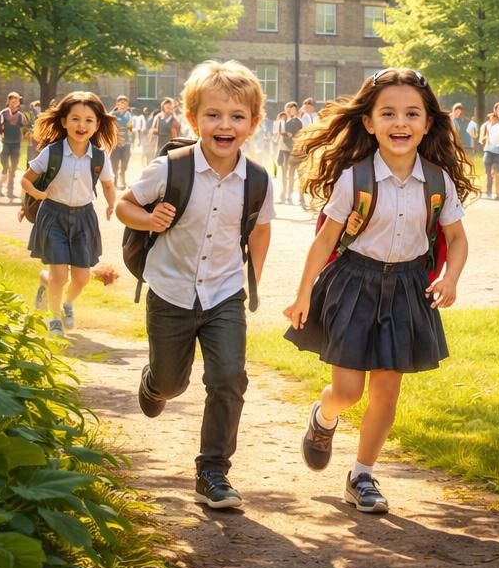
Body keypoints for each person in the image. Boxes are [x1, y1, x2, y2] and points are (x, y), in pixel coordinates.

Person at [284, 69, 473, 513]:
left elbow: (459, 239)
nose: (400, 122)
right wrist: (302, 293)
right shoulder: (356, 178)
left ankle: (362, 475)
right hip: (355, 283)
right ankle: (324, 416)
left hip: (408, 287)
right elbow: (326, 239)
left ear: (428, 123)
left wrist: (450, 278)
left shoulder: (438, 181)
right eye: (388, 113)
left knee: (387, 391)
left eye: (412, 113)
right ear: (369, 122)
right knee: (348, 391)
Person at [116, 61, 274, 511]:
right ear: (193, 119)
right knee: (172, 382)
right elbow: (125, 206)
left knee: (228, 378)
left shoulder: (258, 179)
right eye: (213, 115)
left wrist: (254, 276)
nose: (225, 125)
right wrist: (148, 218)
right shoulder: (170, 168)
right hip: (170, 290)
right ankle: (154, 384)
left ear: (252, 123)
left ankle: (213, 472)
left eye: (237, 116)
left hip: (224, 292)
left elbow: (260, 229)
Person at [22, 92, 118, 335]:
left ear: (97, 125)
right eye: (75, 119)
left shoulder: (99, 157)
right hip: (53, 215)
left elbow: (107, 184)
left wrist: (110, 204)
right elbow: (26, 179)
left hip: (84, 218)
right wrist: (37, 193)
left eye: (88, 120)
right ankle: (54, 318)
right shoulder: (52, 152)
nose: (81, 125)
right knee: (60, 274)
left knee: (82, 277)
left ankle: (65, 303)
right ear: (64, 121)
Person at [0, 92, 31, 201]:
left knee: (13, 168)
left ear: (18, 103)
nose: (14, 104)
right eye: (12, 101)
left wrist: (26, 133)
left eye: (16, 102)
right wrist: (0, 134)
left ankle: (10, 190)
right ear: (8, 102)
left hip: (16, 144)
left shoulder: (21, 116)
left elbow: (26, 127)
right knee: (5, 167)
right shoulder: (3, 113)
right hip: (5, 143)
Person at [279, 102, 304, 204]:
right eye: (288, 109)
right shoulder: (285, 120)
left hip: (294, 151)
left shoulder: (297, 121)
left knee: (294, 174)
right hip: (285, 150)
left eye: (292, 109)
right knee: (287, 174)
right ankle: (287, 195)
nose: (289, 111)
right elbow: (285, 135)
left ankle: (298, 196)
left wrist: (288, 135)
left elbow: (292, 135)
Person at [109, 94, 134, 182]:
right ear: (117, 105)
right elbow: (109, 129)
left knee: (125, 163)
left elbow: (130, 128)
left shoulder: (129, 115)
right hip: (115, 143)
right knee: (114, 164)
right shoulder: (112, 115)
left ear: (127, 106)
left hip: (126, 143)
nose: (123, 106)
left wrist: (131, 139)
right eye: (121, 104)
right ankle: (115, 177)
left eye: (125, 104)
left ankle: (122, 174)